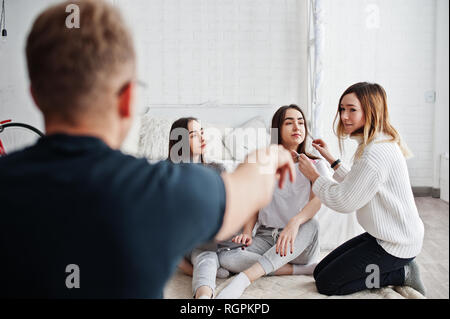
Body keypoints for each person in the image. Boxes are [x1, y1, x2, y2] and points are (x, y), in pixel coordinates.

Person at [0, 0, 296, 298]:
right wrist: (274, 153)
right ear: (128, 99)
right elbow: (251, 186)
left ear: (35, 96)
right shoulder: (163, 189)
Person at [297, 82, 426, 296]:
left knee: (328, 284)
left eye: (352, 110)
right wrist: (331, 159)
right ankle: (397, 270)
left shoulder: (375, 152)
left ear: (371, 110)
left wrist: (313, 176)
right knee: (320, 271)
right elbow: (360, 185)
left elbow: (345, 201)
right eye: (341, 109)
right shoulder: (376, 143)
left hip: (397, 244)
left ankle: (401, 273)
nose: (344, 116)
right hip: (384, 236)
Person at [216, 105, 329, 299]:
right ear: (277, 129)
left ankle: (243, 279)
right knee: (226, 255)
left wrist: (294, 223)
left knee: (312, 223)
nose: (297, 127)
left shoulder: (316, 164)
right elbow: (255, 203)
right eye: (289, 122)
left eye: (301, 122)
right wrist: (246, 233)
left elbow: (317, 201)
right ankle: (300, 270)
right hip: (266, 237)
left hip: (298, 240)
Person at [167, 117, 231, 299]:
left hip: (212, 240)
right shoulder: (168, 174)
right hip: (180, 243)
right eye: (195, 135)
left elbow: (229, 207)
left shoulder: (218, 169)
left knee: (211, 254)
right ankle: (200, 284)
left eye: (202, 132)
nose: (203, 138)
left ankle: (204, 291)